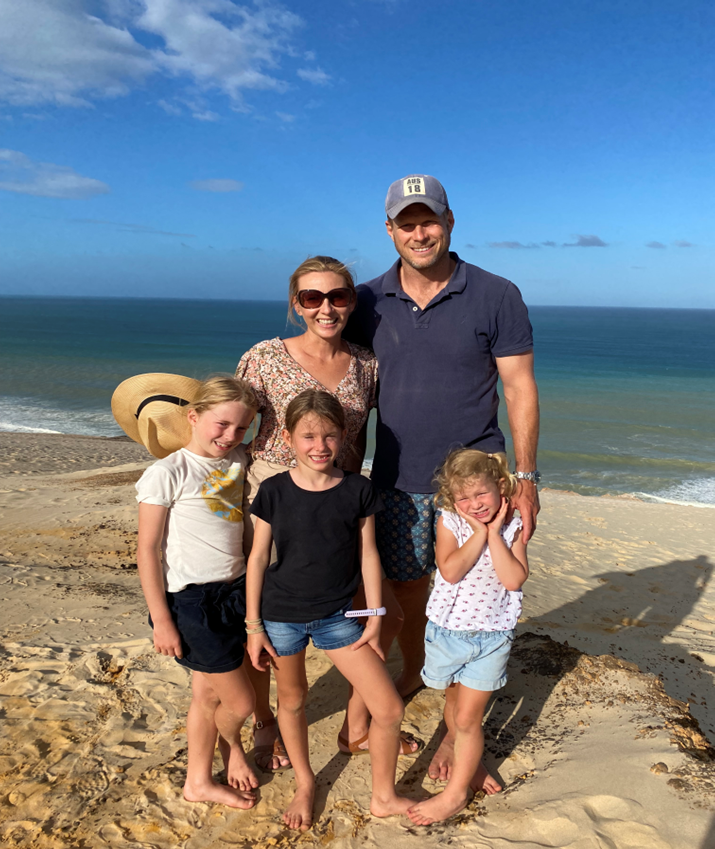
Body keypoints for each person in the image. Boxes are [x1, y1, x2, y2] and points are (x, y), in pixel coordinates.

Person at [344, 173, 540, 782]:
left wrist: (527, 477)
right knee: (409, 601)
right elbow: (339, 381)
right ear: (390, 231)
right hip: (396, 480)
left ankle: (459, 737)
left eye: (429, 220)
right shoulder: (368, 301)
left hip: (478, 485)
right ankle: (416, 681)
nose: (420, 232)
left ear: (450, 222)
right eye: (407, 222)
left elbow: (519, 388)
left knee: (479, 606)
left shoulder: (496, 293)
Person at [236, 255, 420, 766]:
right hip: (271, 502)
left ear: (351, 301)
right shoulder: (264, 357)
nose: (326, 307)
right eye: (312, 297)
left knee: (385, 615)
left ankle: (356, 728)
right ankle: (265, 723)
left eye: (338, 296)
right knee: (264, 622)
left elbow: (403, 420)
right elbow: (228, 426)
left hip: (342, 505)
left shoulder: (366, 364)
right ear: (296, 304)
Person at [245, 390, 414, 830]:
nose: (320, 446)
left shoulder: (358, 489)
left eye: (330, 436)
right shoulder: (273, 490)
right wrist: (253, 626)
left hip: (340, 618)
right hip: (280, 617)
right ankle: (305, 783)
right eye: (309, 436)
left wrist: (375, 618)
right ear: (288, 437)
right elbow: (258, 558)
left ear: (344, 437)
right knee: (293, 700)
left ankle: (384, 795)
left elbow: (369, 556)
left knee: (389, 709)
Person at [112, 373, 259, 809]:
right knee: (242, 701)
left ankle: (197, 782)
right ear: (193, 418)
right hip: (192, 602)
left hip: (234, 592)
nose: (230, 435)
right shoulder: (167, 471)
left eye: (241, 427)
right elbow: (147, 550)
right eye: (221, 424)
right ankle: (233, 750)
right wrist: (162, 620)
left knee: (207, 695)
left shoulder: (237, 460)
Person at [407, 449, 529, 825]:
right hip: (449, 632)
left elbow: (513, 579)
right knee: (454, 706)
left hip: (491, 636)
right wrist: (478, 531)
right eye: (464, 498)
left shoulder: (515, 526)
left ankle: (455, 793)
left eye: (482, 495)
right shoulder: (449, 522)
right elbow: (451, 570)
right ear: (451, 499)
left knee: (469, 719)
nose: (474, 504)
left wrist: (495, 534)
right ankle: (469, 764)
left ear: (501, 488)